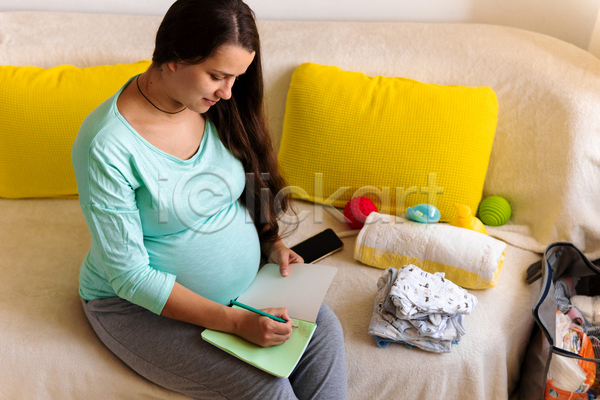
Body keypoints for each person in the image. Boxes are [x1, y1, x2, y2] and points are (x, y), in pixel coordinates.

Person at [71, 0, 348, 398]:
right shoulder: (108, 145)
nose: (229, 91)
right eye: (217, 75)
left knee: (325, 334)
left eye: (237, 76)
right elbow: (130, 277)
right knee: (269, 388)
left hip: (245, 292)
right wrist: (235, 322)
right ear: (174, 56)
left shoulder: (210, 104)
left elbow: (244, 180)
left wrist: (271, 243)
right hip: (138, 308)